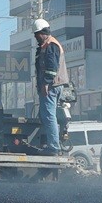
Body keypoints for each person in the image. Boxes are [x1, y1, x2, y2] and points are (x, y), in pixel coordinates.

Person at [33, 18, 69, 154]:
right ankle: (50, 143)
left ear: (42, 32)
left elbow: (51, 67)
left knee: (49, 116)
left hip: (52, 86)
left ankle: (53, 147)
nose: (36, 38)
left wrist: (46, 83)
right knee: (47, 115)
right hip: (54, 85)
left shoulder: (51, 45)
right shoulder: (48, 45)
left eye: (36, 35)